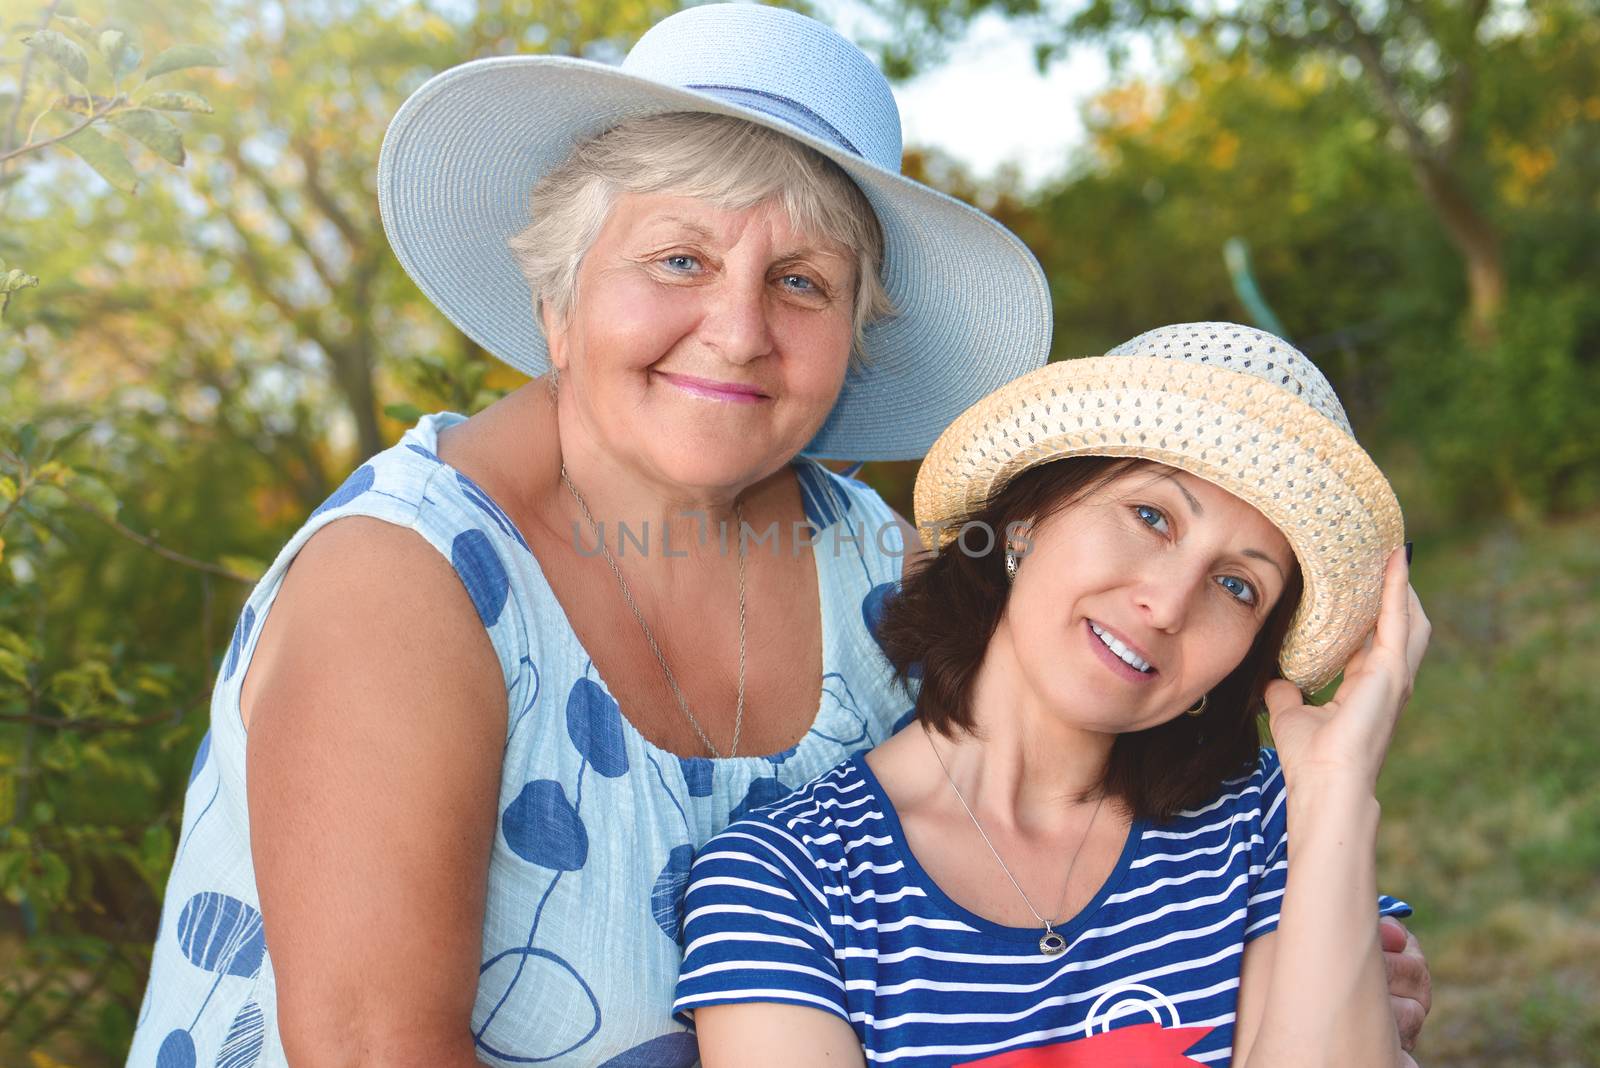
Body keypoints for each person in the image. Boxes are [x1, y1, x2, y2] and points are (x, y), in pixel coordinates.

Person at [125, 6, 1058, 1066]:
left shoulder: (884, 578)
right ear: (557, 295)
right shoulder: (401, 581)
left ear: (851, 341)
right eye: (679, 259)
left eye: (800, 282)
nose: (739, 329)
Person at [676, 322, 1432, 1067]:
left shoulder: (1271, 822)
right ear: (1027, 518)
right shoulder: (781, 884)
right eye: (1151, 517)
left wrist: (1335, 789)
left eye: (1237, 585)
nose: (1169, 606)